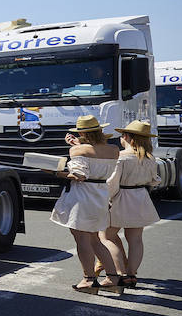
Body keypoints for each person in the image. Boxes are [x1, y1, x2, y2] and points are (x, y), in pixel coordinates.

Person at [50, 115, 121, 293]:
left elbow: (79, 175)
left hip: (82, 196)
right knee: (95, 239)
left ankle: (88, 279)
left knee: (82, 238)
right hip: (100, 194)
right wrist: (78, 145)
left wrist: (55, 172)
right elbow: (94, 156)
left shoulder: (78, 151)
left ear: (81, 132)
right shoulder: (113, 150)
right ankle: (113, 278)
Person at [101, 121, 160, 288]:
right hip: (141, 197)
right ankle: (131, 274)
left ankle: (118, 272)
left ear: (127, 137)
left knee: (106, 236)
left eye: (123, 134)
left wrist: (106, 199)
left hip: (122, 197)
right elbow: (154, 180)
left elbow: (112, 183)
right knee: (135, 239)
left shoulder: (121, 157)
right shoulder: (150, 157)